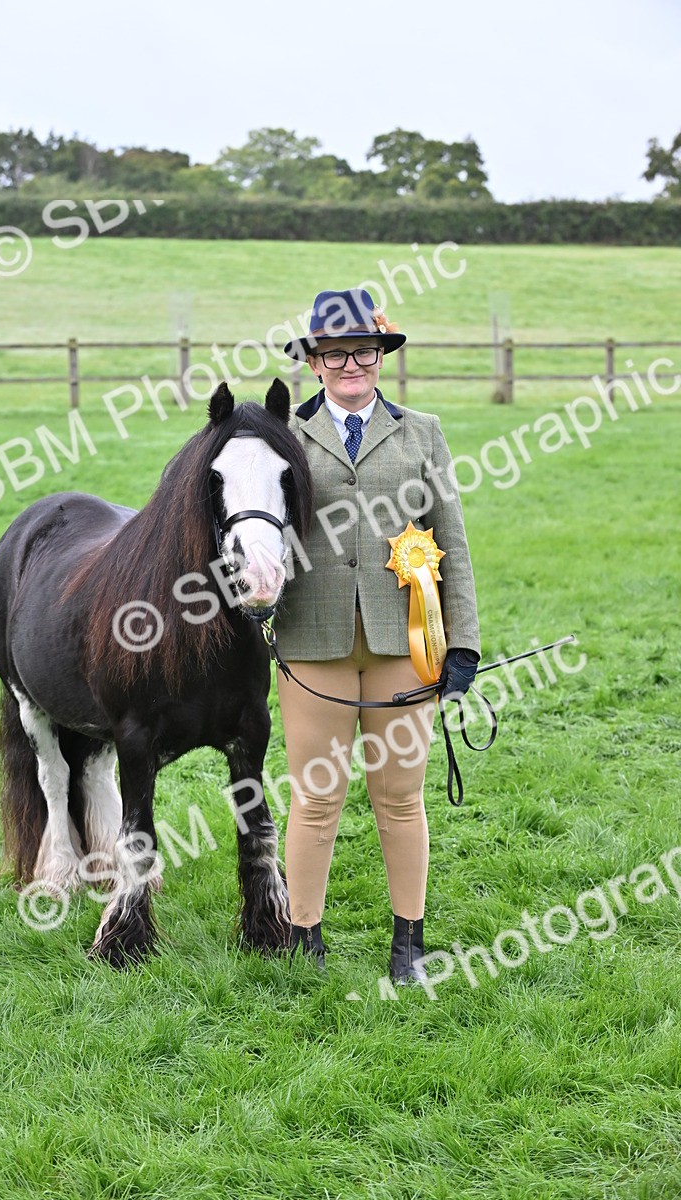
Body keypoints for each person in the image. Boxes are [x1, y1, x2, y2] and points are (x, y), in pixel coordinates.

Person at [273, 287, 481, 983]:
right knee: (316, 796)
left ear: (381, 355)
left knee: (399, 797)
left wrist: (463, 645)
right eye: (335, 353)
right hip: (312, 639)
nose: (351, 363)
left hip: (405, 641)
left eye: (363, 350)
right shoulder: (289, 437)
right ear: (314, 363)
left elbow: (451, 539)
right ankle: (305, 939)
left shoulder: (423, 431)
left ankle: (409, 946)